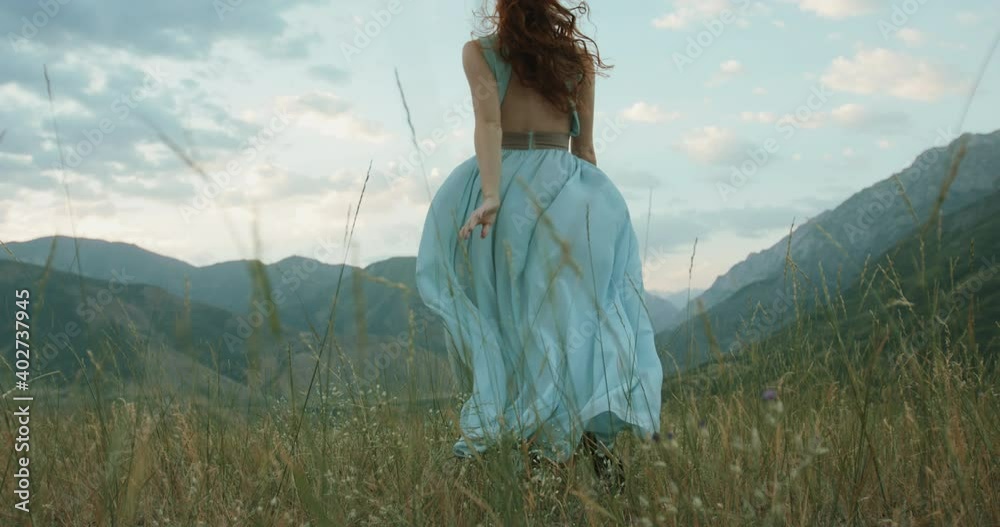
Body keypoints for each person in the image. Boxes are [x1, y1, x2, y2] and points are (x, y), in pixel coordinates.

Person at [415, 0, 662, 484]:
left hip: (505, 191)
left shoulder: (479, 52)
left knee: (509, 323)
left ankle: (526, 446)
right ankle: (590, 441)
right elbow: (585, 149)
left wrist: (490, 196)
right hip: (574, 195)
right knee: (583, 321)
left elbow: (488, 125)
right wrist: (597, 215)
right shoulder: (577, 61)